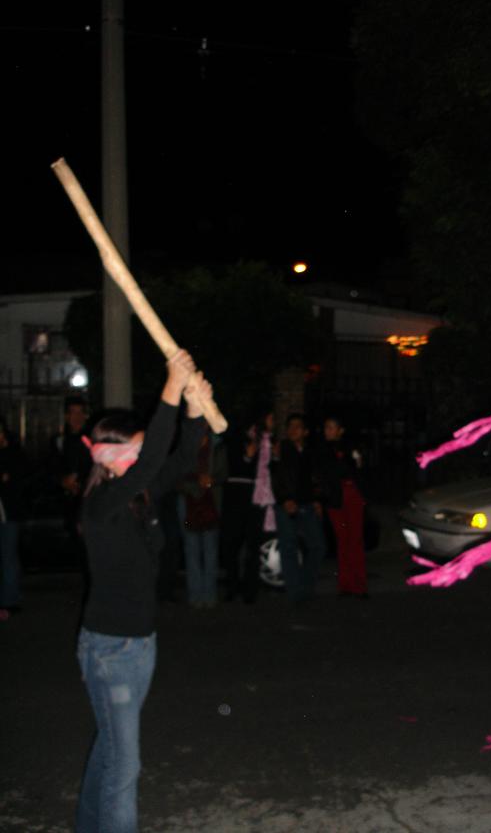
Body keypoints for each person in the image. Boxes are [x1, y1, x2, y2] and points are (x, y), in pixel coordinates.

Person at [75, 350, 207, 833]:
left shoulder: (138, 496)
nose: (142, 458)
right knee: (124, 766)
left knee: (110, 751)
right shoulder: (102, 504)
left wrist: (194, 405)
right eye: (133, 448)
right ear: (109, 456)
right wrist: (171, 388)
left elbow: (181, 458)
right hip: (111, 649)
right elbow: (152, 459)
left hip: (139, 642)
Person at [221, 411, 276, 603]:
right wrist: (247, 457)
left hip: (255, 495)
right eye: (270, 417)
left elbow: (267, 468)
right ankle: (233, 587)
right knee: (233, 545)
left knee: (252, 546)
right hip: (238, 493)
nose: (273, 421)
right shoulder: (241, 437)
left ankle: (249, 590)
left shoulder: (267, 440)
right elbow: (236, 464)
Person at [271, 413, 326, 604]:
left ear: (305, 431)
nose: (293, 430)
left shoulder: (309, 452)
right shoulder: (282, 449)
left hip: (307, 504)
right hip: (287, 505)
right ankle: (296, 594)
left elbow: (315, 478)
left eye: (297, 426)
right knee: (289, 547)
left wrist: (317, 500)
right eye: (290, 426)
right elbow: (276, 476)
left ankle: (304, 587)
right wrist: (285, 498)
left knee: (318, 546)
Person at [316, 415, 368, 597]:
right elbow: (326, 473)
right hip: (335, 497)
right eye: (326, 427)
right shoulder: (322, 449)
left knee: (355, 539)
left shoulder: (350, 447)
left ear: (340, 430)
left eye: (331, 427)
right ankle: (346, 584)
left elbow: (357, 468)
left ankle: (359, 585)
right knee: (343, 540)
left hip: (351, 493)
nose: (327, 431)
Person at [178, 426, 228, 608]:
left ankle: (209, 595)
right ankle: (195, 595)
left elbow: (223, 473)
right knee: (191, 547)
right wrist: (194, 484)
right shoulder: (184, 447)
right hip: (187, 501)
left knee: (210, 547)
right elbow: (176, 475)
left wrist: (211, 480)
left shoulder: (219, 446)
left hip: (211, 501)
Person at [50, 395, 92, 571]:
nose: (76, 417)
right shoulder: (59, 441)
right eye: (72, 413)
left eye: (80, 413)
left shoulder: (91, 440)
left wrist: (82, 483)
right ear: (66, 416)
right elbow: (51, 467)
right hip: (69, 500)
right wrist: (63, 481)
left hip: (89, 498)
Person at [0, 416, 26, 618]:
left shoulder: (13, 452)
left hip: (9, 512)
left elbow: (17, 478)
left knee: (8, 555)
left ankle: (10, 598)